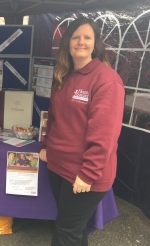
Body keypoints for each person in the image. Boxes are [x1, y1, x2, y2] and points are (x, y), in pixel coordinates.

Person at [39, 17, 124, 246]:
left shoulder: (106, 80)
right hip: (58, 166)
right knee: (74, 230)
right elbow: (54, 117)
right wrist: (46, 145)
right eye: (75, 37)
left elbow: (105, 133)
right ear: (68, 42)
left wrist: (88, 173)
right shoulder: (63, 75)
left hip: (85, 173)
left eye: (87, 37)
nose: (81, 42)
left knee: (65, 232)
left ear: (95, 44)